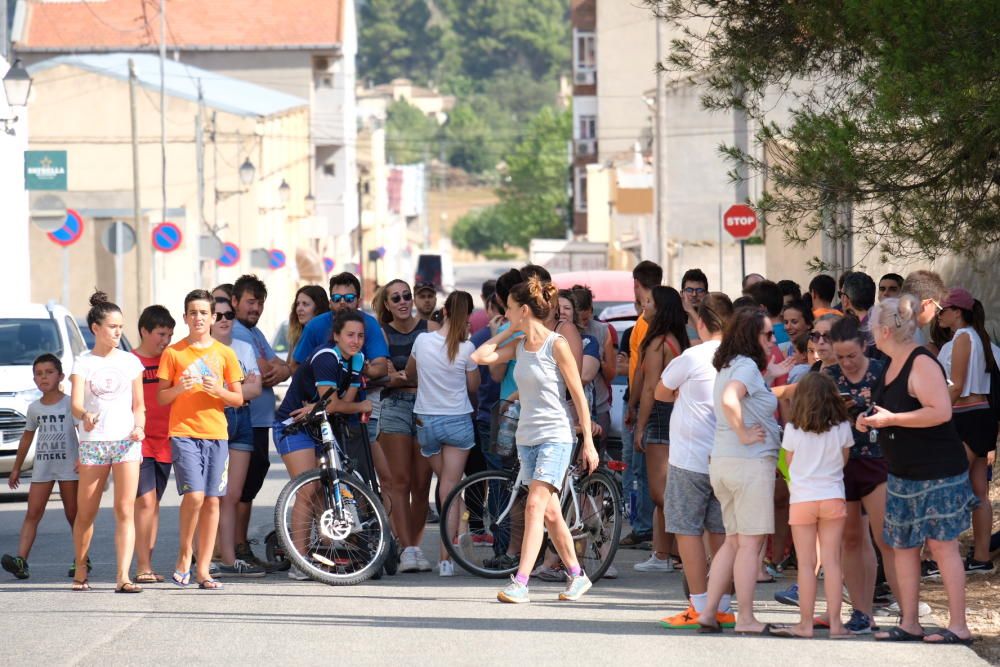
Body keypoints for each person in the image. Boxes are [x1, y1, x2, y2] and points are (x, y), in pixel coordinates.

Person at [472, 277, 599, 603]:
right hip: (526, 437)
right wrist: (507, 330)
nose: (506, 313)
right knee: (551, 514)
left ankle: (521, 581)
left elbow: (577, 394)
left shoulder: (556, 344)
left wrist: (587, 441)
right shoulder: (518, 345)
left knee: (533, 506)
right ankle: (577, 576)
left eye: (511, 309)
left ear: (524, 309)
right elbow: (480, 357)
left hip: (556, 436)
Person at [859, 296, 977, 645]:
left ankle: (959, 626)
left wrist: (891, 419)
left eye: (871, 327)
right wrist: (869, 419)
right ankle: (910, 622)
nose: (869, 333)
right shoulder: (892, 362)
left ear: (884, 330)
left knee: (943, 547)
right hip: (903, 472)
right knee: (904, 546)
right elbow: (892, 408)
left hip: (937, 471)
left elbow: (940, 411)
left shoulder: (920, 361)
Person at [696, 307, 781, 634]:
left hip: (724, 462)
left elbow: (739, 397)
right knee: (748, 545)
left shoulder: (732, 365)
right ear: (752, 337)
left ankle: (708, 612)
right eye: (768, 335)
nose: (773, 341)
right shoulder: (744, 366)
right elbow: (733, 399)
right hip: (749, 464)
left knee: (732, 542)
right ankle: (745, 617)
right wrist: (745, 433)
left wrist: (770, 376)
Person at [273, 311, 371, 580]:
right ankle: (300, 562)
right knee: (308, 489)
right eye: (350, 335)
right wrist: (358, 405)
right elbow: (337, 403)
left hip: (320, 424)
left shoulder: (357, 359)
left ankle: (325, 550)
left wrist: (327, 406)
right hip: (293, 426)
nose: (356, 341)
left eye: (360, 336)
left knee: (324, 490)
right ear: (336, 336)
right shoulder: (327, 356)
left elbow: (339, 404)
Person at [657, 294, 736, 630]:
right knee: (720, 531)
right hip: (726, 456)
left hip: (689, 458)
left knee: (687, 530)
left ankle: (699, 604)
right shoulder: (739, 359)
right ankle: (724, 606)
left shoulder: (691, 357)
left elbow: (661, 392)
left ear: (700, 323)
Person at [158, 290, 243, 590]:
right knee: (193, 496)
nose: (198, 318)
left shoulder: (224, 354)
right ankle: (185, 555)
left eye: (203, 313)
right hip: (183, 433)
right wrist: (180, 387)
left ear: (213, 318)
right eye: (192, 313)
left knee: (211, 501)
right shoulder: (174, 353)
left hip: (216, 434)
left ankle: (204, 569)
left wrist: (218, 390)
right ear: (185, 318)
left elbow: (238, 398)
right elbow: (161, 396)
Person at [823, 316, 896, 634]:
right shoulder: (829, 375)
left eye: (851, 355)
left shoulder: (883, 372)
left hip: (879, 460)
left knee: (886, 540)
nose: (846, 363)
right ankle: (861, 612)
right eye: (840, 357)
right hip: (842, 463)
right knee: (851, 539)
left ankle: (907, 613)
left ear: (865, 347)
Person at [70, 292, 146, 592]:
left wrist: (139, 426)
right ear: (95, 329)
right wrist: (85, 415)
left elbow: (139, 405)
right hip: (94, 443)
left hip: (126, 442)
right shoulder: (83, 362)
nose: (118, 332)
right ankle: (80, 570)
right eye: (112, 326)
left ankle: (123, 576)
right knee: (86, 512)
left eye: (120, 326)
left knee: (124, 510)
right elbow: (75, 404)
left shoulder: (130, 362)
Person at [772, 372, 853, 639]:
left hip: (802, 499)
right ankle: (837, 625)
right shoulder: (842, 427)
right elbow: (843, 461)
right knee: (832, 562)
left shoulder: (793, 429)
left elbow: (790, 463)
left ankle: (805, 624)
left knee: (806, 565)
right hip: (832, 496)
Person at [407, 291, 479, 576]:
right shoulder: (467, 348)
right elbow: (473, 387)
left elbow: (410, 373)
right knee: (451, 486)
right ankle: (446, 559)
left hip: (426, 421)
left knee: (446, 485)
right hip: (458, 420)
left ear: (444, 311)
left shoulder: (422, 341)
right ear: (468, 316)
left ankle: (458, 531)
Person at [230, 275, 291, 571]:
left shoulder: (255, 332)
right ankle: (235, 548)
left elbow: (281, 367)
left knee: (251, 484)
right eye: (250, 302)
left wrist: (279, 368)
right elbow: (268, 368)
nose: (256, 308)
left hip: (259, 421)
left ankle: (238, 546)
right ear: (235, 302)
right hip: (245, 420)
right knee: (241, 487)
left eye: (260, 303)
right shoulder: (239, 334)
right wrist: (276, 368)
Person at [2, 354, 79, 580]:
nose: (44, 377)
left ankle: (81, 558)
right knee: (32, 513)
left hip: (68, 468)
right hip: (43, 468)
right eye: (39, 374)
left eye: (49, 372)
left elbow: (81, 432)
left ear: (60, 376)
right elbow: (26, 438)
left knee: (73, 514)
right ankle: (21, 560)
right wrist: (17, 468)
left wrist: (83, 458)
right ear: (34, 380)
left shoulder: (69, 403)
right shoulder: (34, 408)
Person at [937, 287, 997, 575]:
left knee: (945, 485)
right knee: (978, 491)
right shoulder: (978, 337)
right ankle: (982, 557)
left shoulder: (963, 338)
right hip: (980, 415)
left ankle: (937, 559)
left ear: (956, 312)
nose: (939, 315)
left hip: (967, 415)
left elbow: (956, 385)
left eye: (943, 310)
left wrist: (936, 415)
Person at [375, 279, 433, 573]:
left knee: (422, 484)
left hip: (425, 407)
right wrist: (403, 376)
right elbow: (384, 376)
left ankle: (415, 545)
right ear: (386, 305)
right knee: (400, 481)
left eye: (406, 296)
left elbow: (430, 372)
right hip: (394, 406)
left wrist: (402, 375)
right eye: (395, 298)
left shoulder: (429, 328)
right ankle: (408, 547)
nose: (402, 301)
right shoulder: (381, 333)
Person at [634, 286, 689, 572]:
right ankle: (663, 553)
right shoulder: (676, 339)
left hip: (659, 415)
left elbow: (650, 389)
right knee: (666, 492)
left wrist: (640, 426)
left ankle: (677, 553)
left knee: (660, 492)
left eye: (650, 301)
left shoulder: (658, 343)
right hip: (674, 414)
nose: (645, 305)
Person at [211, 297, 265, 578]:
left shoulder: (243, 347)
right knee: (210, 492)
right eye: (217, 314)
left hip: (242, 419)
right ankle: (204, 555)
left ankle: (229, 557)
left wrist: (226, 390)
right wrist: (239, 389)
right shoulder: (203, 349)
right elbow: (205, 392)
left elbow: (257, 389)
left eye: (229, 314)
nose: (224, 319)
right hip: (213, 418)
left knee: (232, 494)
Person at [132, 305, 176, 585]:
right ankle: (141, 565)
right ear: (144, 331)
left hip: (166, 440)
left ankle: (147, 562)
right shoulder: (130, 361)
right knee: (145, 501)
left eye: (170, 335)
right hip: (138, 440)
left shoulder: (170, 360)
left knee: (155, 503)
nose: (165, 340)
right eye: (160, 334)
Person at [623, 260, 661, 547]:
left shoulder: (646, 322)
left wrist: (634, 405)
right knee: (644, 469)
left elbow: (642, 371)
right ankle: (646, 527)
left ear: (636, 283)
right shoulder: (650, 320)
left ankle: (645, 527)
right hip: (652, 400)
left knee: (641, 469)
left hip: (647, 402)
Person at [292, 273, 389, 380]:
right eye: (337, 298)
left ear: (359, 302)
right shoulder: (314, 326)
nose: (342, 302)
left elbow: (382, 367)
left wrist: (363, 369)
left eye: (349, 298)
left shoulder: (370, 323)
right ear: (330, 303)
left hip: (364, 389)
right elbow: (295, 367)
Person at [572, 285, 616, 458]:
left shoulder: (601, 330)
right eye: (579, 320)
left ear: (591, 310)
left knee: (594, 460)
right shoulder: (564, 330)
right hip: (571, 407)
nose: (584, 324)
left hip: (598, 406)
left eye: (586, 318)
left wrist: (599, 361)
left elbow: (611, 373)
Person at [286, 285, 330, 362]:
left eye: (305, 304)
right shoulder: (296, 335)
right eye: (297, 304)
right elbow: (290, 367)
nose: (299, 309)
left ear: (318, 308)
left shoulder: (328, 336)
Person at [680, 268, 709, 343]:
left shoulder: (713, 319)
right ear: (681, 293)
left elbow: (709, 339)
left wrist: (690, 310)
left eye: (699, 290)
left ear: (707, 294)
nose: (694, 294)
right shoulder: (676, 321)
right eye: (689, 290)